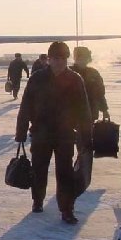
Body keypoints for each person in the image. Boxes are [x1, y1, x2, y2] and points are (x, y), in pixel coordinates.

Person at [15, 41, 92, 224]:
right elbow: (26, 106)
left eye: (62, 59)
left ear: (66, 59)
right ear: (48, 59)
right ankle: (38, 200)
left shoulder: (75, 79)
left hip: (65, 134)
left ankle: (66, 209)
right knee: (39, 168)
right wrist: (21, 132)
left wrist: (86, 136)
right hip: (41, 133)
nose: (58, 62)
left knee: (65, 173)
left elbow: (83, 110)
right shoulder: (37, 78)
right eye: (55, 58)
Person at [69, 46, 108, 121]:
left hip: (90, 113)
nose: (82, 61)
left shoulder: (93, 73)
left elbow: (100, 93)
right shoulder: (69, 73)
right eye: (79, 58)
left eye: (84, 58)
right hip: (71, 115)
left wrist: (104, 110)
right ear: (75, 59)